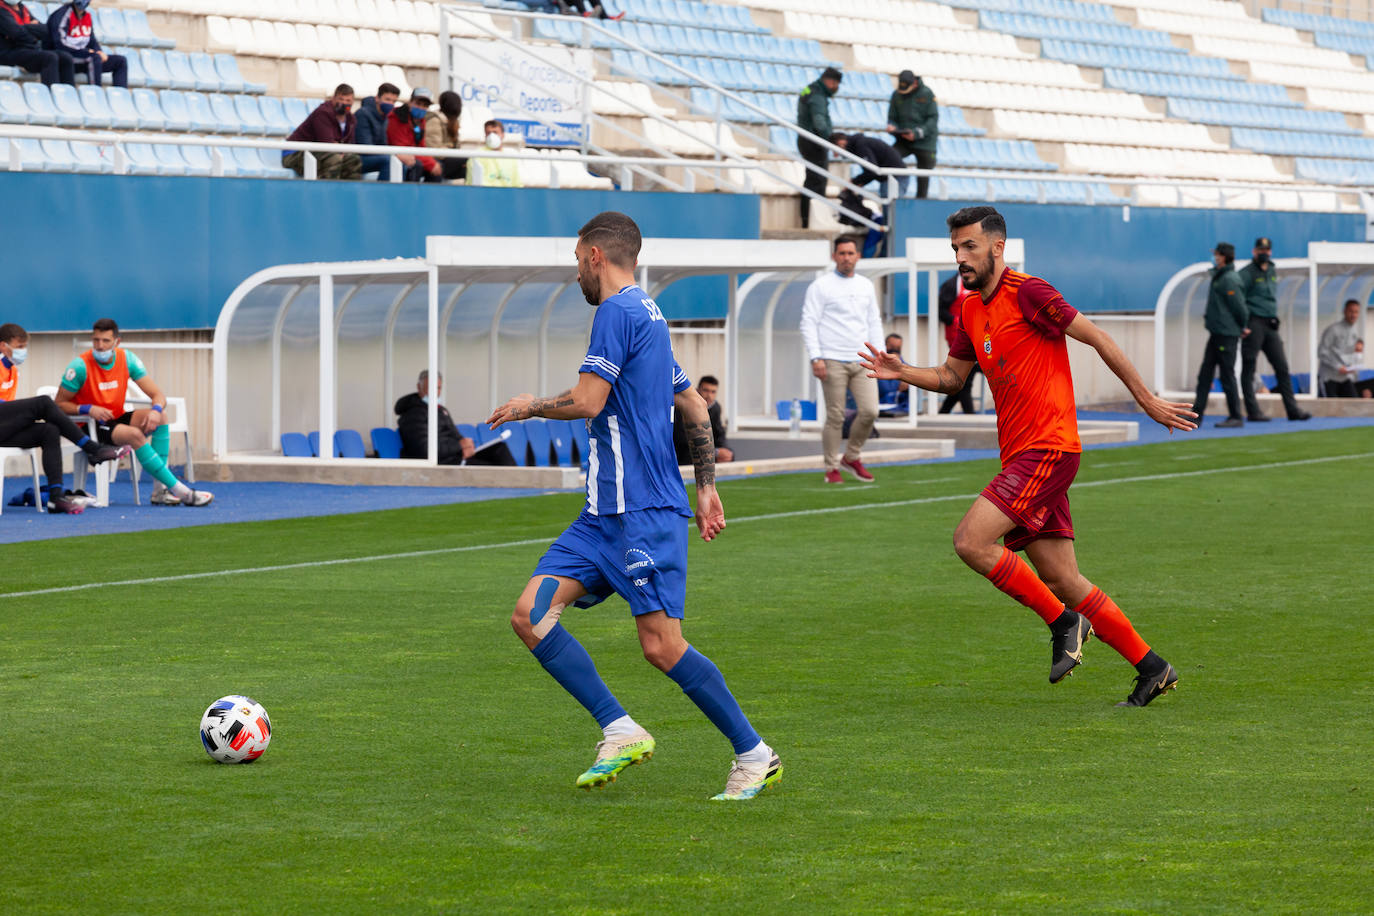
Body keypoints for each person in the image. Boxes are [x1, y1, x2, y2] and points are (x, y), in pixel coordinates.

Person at [488, 211, 781, 801]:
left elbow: (590, 400)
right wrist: (705, 485)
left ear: (596, 255)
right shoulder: (649, 315)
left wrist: (529, 407)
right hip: (601, 518)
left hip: (644, 513)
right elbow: (695, 408)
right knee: (530, 614)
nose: (575, 269)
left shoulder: (616, 313)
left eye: (576, 258)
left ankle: (755, 753)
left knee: (661, 646)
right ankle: (620, 729)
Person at [860, 206, 1193, 707]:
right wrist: (902, 371)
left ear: (998, 247)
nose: (960, 258)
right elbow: (952, 378)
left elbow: (1097, 336)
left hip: (1049, 448)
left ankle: (1064, 621)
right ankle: (1153, 668)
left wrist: (1145, 399)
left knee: (970, 542)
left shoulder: (1030, 292)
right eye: (954, 248)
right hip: (1022, 457)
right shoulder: (969, 309)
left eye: (969, 246)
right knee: (1062, 576)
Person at [54, 318, 213, 507]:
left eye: (105, 341)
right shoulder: (79, 366)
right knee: (135, 435)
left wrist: (155, 411)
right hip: (89, 425)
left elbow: (158, 395)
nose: (100, 346)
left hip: (116, 418)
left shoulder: (127, 358)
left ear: (117, 342)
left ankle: (159, 491)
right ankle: (183, 492)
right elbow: (59, 404)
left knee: (161, 417)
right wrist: (87, 409)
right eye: (96, 340)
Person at [0, 322, 125, 513]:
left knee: (49, 430)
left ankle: (55, 497)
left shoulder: (13, 371)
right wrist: (27, 415)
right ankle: (92, 448)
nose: (23, 352)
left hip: (4, 428)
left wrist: (25, 418)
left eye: (25, 347)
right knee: (43, 403)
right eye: (19, 347)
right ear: (3, 346)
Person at [800, 236, 882, 484]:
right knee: (835, 415)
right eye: (842, 253)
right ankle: (831, 467)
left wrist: (879, 355)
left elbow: (873, 322)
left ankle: (852, 456)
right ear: (834, 256)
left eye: (850, 253)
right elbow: (808, 322)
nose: (846, 257)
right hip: (831, 358)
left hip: (862, 359)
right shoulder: (821, 286)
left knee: (870, 411)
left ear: (858, 256)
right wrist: (816, 357)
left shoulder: (866, 285)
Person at [1238, 237, 1311, 422]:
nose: (1264, 253)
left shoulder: (1271, 269)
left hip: (1270, 325)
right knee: (1249, 367)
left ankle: (1292, 410)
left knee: (1282, 367)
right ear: (1254, 251)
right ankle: (1253, 411)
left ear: (1270, 251)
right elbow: (1237, 299)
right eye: (1260, 250)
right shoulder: (1247, 273)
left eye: (1267, 250)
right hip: (1253, 323)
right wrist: (1243, 323)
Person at [394, 369, 515, 466]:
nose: (435, 392)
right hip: (441, 462)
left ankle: (521, 487)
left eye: (438, 388)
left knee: (499, 449)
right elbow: (424, 450)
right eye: (431, 387)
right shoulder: (412, 414)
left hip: (455, 455)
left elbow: (457, 437)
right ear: (419, 387)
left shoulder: (441, 410)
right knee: (487, 466)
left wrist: (467, 445)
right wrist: (459, 446)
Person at [1191, 242, 1248, 428]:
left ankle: (1236, 416)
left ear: (1223, 256)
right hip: (1217, 333)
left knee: (1227, 375)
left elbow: (1239, 307)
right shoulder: (1220, 276)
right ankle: (1196, 416)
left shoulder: (1229, 279)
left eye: (1216, 254)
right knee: (1205, 375)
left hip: (1226, 333)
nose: (1214, 257)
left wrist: (1243, 326)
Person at [283, 83, 361, 181]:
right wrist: (340, 149)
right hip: (295, 153)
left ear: (353, 102)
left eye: (348, 100)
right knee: (334, 159)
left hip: (324, 154)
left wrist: (342, 150)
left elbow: (349, 145)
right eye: (341, 99)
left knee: (354, 159)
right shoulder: (322, 113)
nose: (344, 103)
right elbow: (326, 143)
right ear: (333, 99)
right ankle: (326, 193)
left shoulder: (351, 119)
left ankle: (350, 194)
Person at [796, 66, 842, 229]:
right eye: (836, 84)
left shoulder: (811, 90)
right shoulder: (817, 95)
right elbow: (819, 122)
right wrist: (830, 141)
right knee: (817, 183)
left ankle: (807, 219)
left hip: (806, 140)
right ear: (830, 82)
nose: (837, 88)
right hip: (814, 142)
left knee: (812, 181)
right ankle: (812, 220)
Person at [47, 0, 126, 89]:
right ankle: (96, 93)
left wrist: (99, 51)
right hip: (66, 58)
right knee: (94, 58)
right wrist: (87, 51)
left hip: (84, 57)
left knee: (120, 61)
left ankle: (122, 97)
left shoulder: (87, 16)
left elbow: (91, 40)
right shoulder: (61, 15)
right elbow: (60, 44)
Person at [886, 70, 937, 199]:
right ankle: (894, 197)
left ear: (914, 83)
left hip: (925, 143)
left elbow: (932, 119)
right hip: (904, 140)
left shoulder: (927, 94)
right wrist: (892, 126)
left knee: (923, 176)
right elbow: (892, 117)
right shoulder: (896, 94)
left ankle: (921, 204)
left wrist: (917, 133)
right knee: (889, 159)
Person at [0, 0, 75, 86]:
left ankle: (68, 96)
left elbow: (45, 30)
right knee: (49, 57)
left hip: (27, 49)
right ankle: (51, 95)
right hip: (9, 52)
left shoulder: (22, 8)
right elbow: (16, 33)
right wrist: (32, 32)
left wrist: (24, 27)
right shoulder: (1, 10)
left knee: (66, 58)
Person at [937, 273, 980, 414]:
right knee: (965, 380)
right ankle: (971, 415)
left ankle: (943, 412)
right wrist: (956, 321)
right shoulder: (952, 284)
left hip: (977, 338)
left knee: (961, 380)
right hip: (958, 339)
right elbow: (941, 311)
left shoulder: (980, 282)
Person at [673, 374, 733, 465]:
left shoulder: (715, 407)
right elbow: (683, 439)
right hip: (682, 457)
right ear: (697, 390)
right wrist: (715, 452)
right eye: (706, 390)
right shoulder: (685, 405)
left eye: (713, 392)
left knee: (729, 455)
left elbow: (719, 434)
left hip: (705, 454)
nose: (709, 395)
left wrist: (726, 451)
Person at [386, 87, 442, 182]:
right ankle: (409, 195)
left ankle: (430, 197)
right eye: (418, 104)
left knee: (437, 168)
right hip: (396, 155)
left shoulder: (420, 121)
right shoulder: (396, 117)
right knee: (417, 166)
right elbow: (401, 147)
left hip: (412, 156)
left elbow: (421, 147)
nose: (421, 108)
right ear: (410, 102)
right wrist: (430, 163)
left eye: (425, 105)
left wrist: (431, 163)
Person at [353, 81, 400, 181]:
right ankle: (382, 195)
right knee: (389, 161)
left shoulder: (384, 117)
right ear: (377, 98)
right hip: (358, 158)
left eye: (393, 101)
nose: (390, 104)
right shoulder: (363, 114)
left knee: (401, 163)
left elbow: (383, 145)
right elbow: (365, 147)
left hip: (374, 156)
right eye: (387, 99)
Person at [1318, 299, 1364, 398]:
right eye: (1351, 311)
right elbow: (1322, 352)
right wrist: (1338, 366)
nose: (1353, 315)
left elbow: (1349, 355)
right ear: (1344, 311)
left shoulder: (1354, 333)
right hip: (1329, 378)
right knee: (1330, 409)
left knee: (1355, 406)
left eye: (1356, 312)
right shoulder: (1333, 330)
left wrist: (1353, 366)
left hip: (1344, 378)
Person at [466, 120, 521, 187]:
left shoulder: (511, 158)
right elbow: (473, 184)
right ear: (485, 136)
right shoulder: (476, 156)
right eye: (488, 133)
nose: (492, 136)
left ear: (503, 135)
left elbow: (517, 185)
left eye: (495, 132)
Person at [426, 90, 465, 182]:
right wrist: (456, 155)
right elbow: (434, 147)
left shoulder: (454, 122)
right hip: (438, 158)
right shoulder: (434, 120)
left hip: (448, 157)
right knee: (469, 159)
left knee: (472, 166)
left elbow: (456, 145)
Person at [875, 334, 909, 416]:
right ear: (885, 346)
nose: (894, 351)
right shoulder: (876, 364)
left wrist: (909, 384)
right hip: (880, 409)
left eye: (898, 348)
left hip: (900, 410)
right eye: (892, 347)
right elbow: (886, 390)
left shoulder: (906, 366)